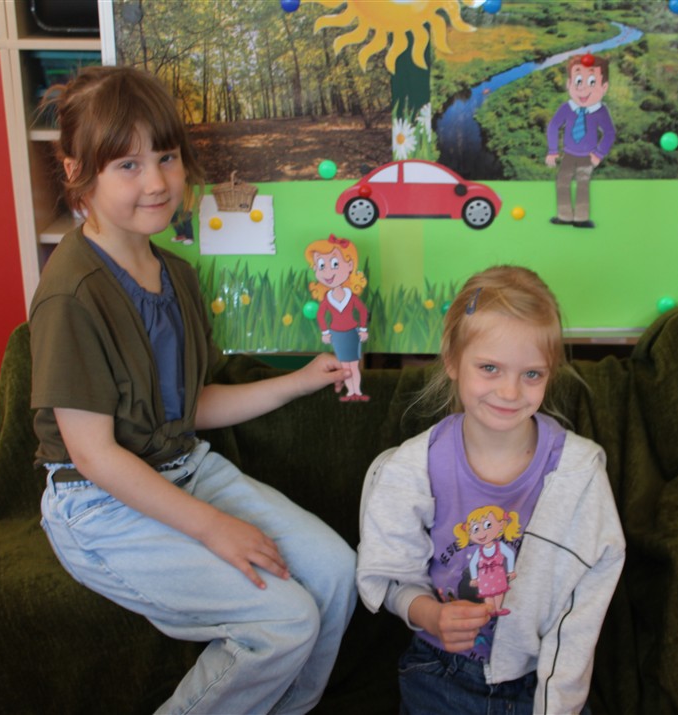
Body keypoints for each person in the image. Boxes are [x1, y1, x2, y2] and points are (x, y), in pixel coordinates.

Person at [30, 65, 357, 715]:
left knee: (335, 570)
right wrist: (214, 528)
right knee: (285, 620)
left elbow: (189, 406)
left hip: (184, 466)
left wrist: (298, 381)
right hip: (97, 502)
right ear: (77, 172)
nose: (156, 182)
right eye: (127, 165)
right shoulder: (72, 293)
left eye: (166, 158)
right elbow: (94, 454)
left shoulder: (175, 274)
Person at [356, 265, 626, 715]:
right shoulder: (411, 468)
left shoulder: (577, 473)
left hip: (541, 676)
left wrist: (557, 702)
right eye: (489, 368)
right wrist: (431, 615)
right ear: (451, 361)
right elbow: (390, 575)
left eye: (532, 374)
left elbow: (582, 610)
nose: (510, 391)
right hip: (440, 671)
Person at [545, 53, 616, 229]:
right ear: (569, 84)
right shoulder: (566, 108)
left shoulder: (601, 111)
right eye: (578, 81)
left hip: (588, 156)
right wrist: (553, 150)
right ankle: (564, 216)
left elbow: (609, 133)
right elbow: (553, 126)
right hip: (568, 154)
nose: (583, 89)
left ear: (604, 86)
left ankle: (581, 218)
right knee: (562, 183)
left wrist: (599, 154)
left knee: (583, 185)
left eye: (591, 82)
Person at [305, 234, 370, 401]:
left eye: (334, 264)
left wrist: (363, 329)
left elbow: (363, 311)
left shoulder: (351, 296)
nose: (327, 271)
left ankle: (356, 392)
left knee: (353, 365)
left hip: (352, 333)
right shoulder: (327, 299)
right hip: (337, 334)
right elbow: (321, 315)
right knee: (344, 367)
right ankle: (350, 392)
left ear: (350, 265)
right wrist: (325, 332)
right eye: (321, 265)